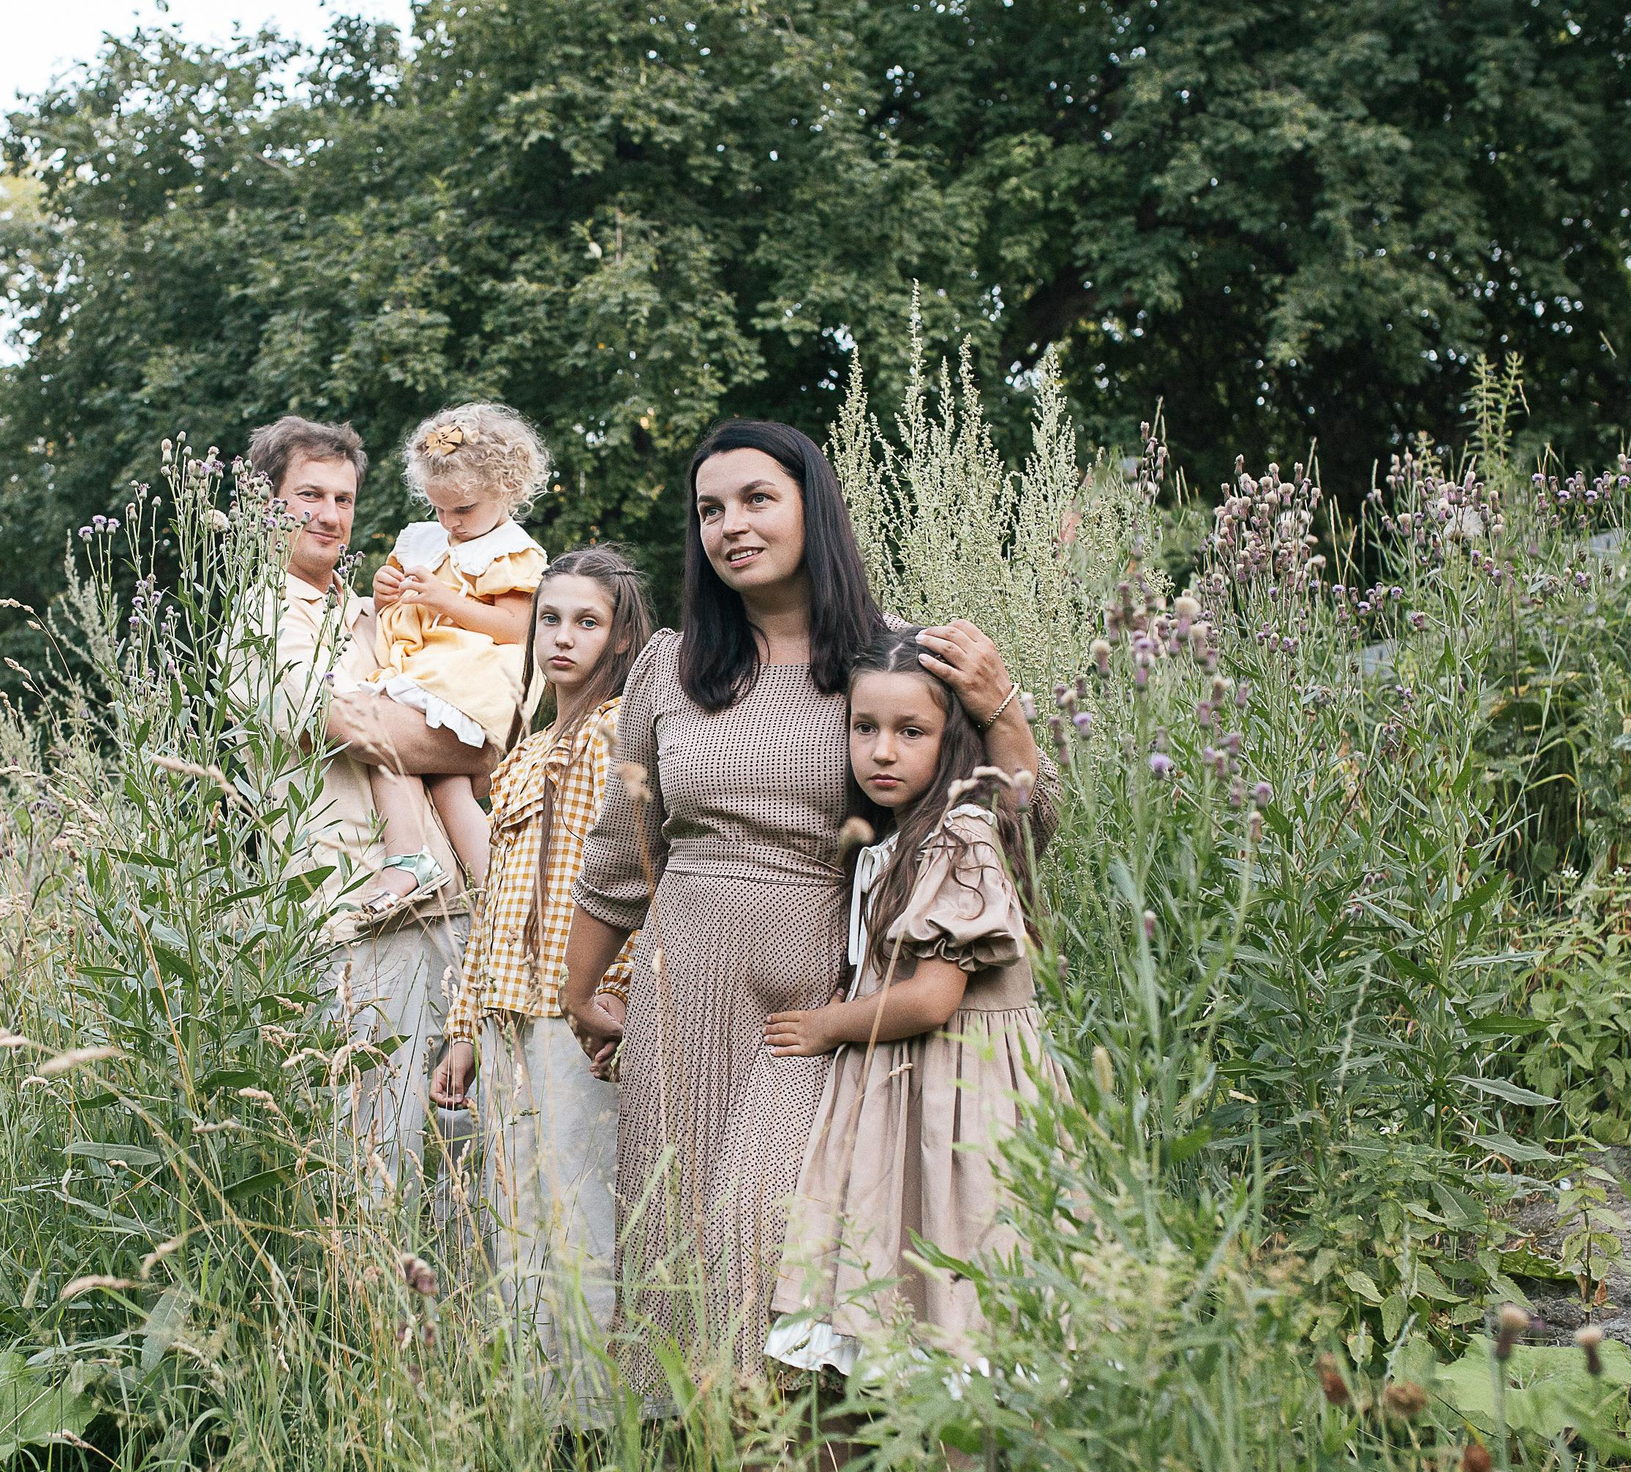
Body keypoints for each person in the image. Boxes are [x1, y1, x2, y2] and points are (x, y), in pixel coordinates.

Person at [556, 418, 1053, 1386]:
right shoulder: (670, 665)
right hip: (683, 991)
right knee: (675, 1261)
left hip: (824, 1004)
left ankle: (825, 1469)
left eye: (756, 499)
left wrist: (1002, 709)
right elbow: (622, 847)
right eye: (709, 509)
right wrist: (580, 992)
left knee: (776, 1251)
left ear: (811, 506)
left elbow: (1013, 826)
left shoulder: (892, 656)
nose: (731, 525)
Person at [761, 623, 1063, 1376]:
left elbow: (932, 999)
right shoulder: (896, 842)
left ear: (952, 739)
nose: (882, 752)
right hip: (922, 1088)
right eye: (864, 728)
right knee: (925, 1259)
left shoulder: (959, 835)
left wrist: (827, 1025)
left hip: (966, 1089)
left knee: (971, 1253)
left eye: (911, 731)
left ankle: (978, 1440)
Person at [428, 546, 652, 1403]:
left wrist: (617, 994)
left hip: (573, 1014)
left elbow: (643, 874)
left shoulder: (621, 734)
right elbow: (495, 903)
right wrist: (464, 1027)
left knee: (583, 1209)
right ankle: (541, 1409)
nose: (562, 637)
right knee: (517, 1210)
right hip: (505, 1017)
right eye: (550, 619)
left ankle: (603, 1414)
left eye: (586, 622)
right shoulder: (524, 754)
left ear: (621, 635)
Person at [235, 415, 471, 1209]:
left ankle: (454, 1295)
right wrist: (460, 742)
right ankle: (367, 1290)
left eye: (343, 499)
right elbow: (344, 724)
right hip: (359, 917)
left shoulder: (376, 612)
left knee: (467, 1150)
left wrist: (468, 735)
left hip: (452, 903)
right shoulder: (259, 619)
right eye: (309, 496)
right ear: (266, 505)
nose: (330, 515)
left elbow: (491, 718)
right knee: (373, 1153)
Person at [329, 404, 552, 924]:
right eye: (439, 509)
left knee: (384, 745)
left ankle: (412, 860)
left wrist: (443, 600)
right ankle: (497, 892)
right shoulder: (424, 539)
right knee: (442, 782)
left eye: (463, 510)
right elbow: (394, 607)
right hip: (420, 670)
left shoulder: (510, 551)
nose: (450, 522)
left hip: (467, 680)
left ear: (507, 488)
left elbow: (517, 627)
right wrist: (386, 592)